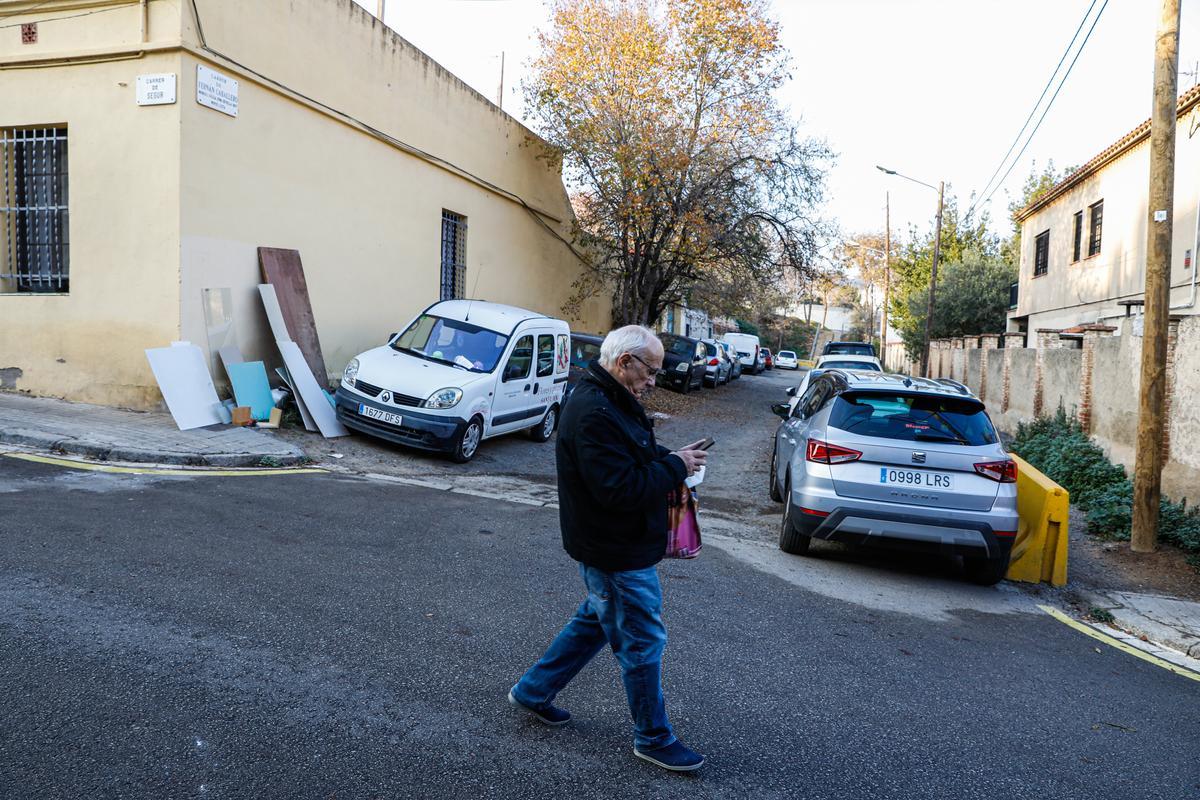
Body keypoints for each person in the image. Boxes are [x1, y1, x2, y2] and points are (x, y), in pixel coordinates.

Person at [507, 325, 709, 772]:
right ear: (624, 363)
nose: (655, 380)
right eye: (651, 370)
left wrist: (674, 457)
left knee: (595, 622)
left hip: (615, 543)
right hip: (615, 547)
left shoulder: (610, 398)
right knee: (641, 640)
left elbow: (633, 454)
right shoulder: (593, 410)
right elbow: (619, 489)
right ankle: (653, 738)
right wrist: (674, 466)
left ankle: (534, 690)